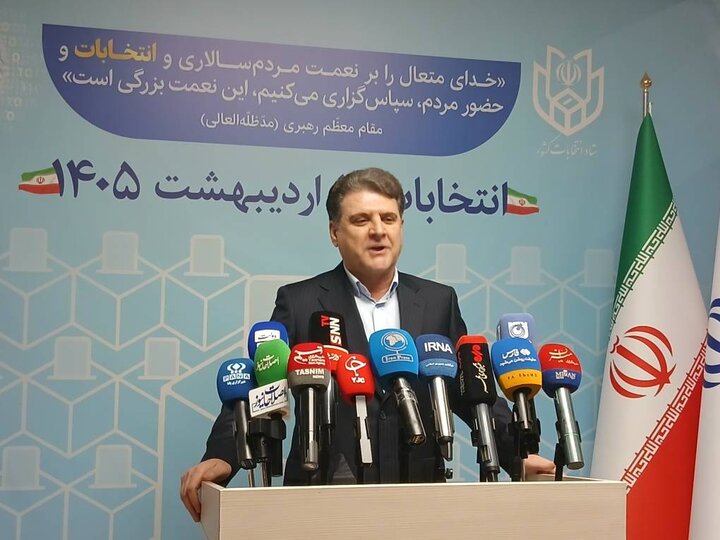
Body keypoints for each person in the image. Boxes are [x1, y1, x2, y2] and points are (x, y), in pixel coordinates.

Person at [180, 167, 554, 520]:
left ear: (401, 227)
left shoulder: (438, 300)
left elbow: (468, 386)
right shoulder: (300, 301)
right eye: (361, 220)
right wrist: (223, 456)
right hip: (323, 488)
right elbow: (264, 381)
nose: (378, 231)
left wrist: (516, 455)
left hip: (418, 488)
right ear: (334, 232)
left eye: (388, 218)